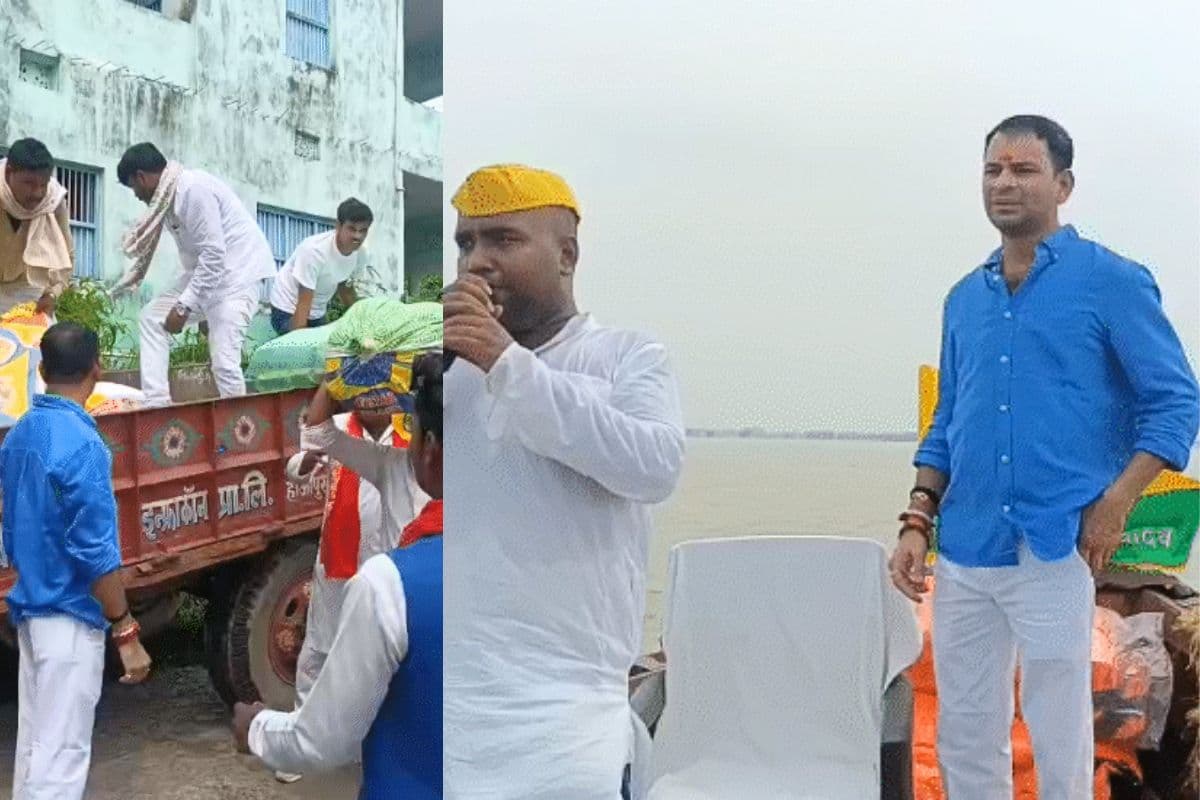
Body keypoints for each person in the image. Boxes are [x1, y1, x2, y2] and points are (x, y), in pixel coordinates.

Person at [889, 115, 1199, 799]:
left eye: (1023, 170)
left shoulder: (1111, 282)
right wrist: (917, 520)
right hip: (966, 545)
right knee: (966, 728)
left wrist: (1116, 504)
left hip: (1058, 541)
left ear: (1062, 184)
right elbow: (948, 420)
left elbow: (1176, 401)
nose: (1005, 183)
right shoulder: (965, 299)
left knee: (1059, 725)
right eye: (993, 169)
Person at [442, 164, 686, 799]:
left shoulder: (628, 357)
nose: (477, 262)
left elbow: (655, 465)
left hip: (570, 720)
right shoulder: (453, 375)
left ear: (567, 256)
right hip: (460, 710)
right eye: (466, 243)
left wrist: (504, 363)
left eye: (503, 240)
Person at [233, 351, 443, 800]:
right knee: (319, 655)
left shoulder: (403, 449)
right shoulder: (388, 461)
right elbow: (315, 435)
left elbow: (322, 739)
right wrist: (334, 384)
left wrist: (257, 730)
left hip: (397, 586)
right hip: (343, 561)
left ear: (429, 445)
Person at [1, 322, 152, 800]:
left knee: (36, 751)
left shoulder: (19, 435)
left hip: (30, 613)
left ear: (42, 370)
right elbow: (96, 554)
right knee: (61, 759)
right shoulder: (85, 446)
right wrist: (125, 628)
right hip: (69, 620)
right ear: (97, 368)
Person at [273, 403, 421, 784]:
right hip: (338, 559)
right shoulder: (336, 426)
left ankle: (364, 744)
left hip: (385, 560)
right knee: (317, 653)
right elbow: (296, 468)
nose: (372, 400)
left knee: (378, 658)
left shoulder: (410, 428)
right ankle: (298, 751)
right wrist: (305, 464)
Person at [114, 142, 276, 407]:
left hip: (237, 276)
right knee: (152, 318)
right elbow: (195, 258)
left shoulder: (192, 190)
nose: (136, 196)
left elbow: (214, 255)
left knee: (224, 363)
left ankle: (239, 430)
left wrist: (186, 306)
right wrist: (200, 305)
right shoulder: (168, 199)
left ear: (141, 177)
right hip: (208, 276)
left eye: (134, 187)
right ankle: (157, 405)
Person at [268, 198, 372, 335]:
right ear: (339, 226)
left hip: (316, 312)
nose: (357, 236)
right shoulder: (314, 251)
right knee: (305, 350)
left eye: (363, 230)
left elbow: (345, 289)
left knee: (332, 349)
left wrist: (364, 326)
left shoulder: (360, 254)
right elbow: (304, 300)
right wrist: (297, 342)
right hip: (287, 308)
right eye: (352, 229)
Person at [0, 138, 74, 317]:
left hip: (30, 286)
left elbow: (67, 258)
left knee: (41, 342)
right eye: (29, 184)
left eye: (43, 184)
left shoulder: (53, 201)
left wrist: (51, 294)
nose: (38, 193)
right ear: (9, 172)